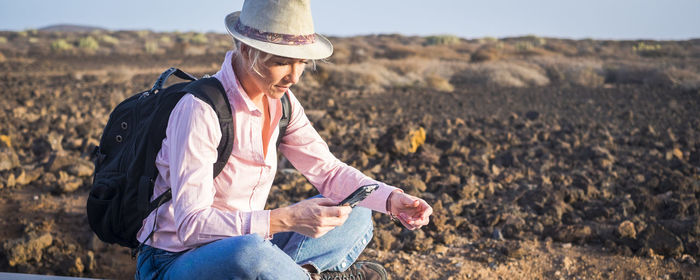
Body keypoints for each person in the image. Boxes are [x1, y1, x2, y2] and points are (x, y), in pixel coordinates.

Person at [134, 0, 432, 279]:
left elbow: (329, 172)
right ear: (246, 50)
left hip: (249, 245)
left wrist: (393, 200)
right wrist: (285, 219)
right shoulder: (201, 110)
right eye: (282, 62)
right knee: (250, 254)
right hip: (173, 261)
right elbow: (191, 225)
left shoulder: (283, 103)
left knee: (358, 208)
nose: (294, 77)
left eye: (301, 62)